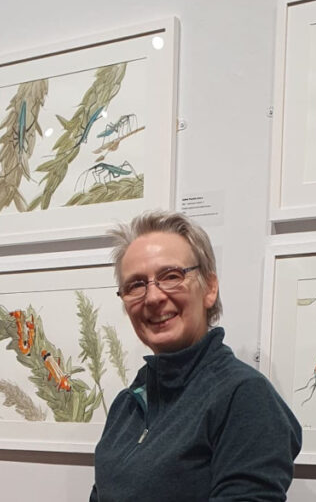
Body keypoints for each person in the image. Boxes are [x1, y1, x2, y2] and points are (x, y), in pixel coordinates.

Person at [90, 210, 301, 501]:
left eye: (171, 276)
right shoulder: (128, 404)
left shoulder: (243, 396)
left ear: (209, 289)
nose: (153, 297)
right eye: (136, 285)